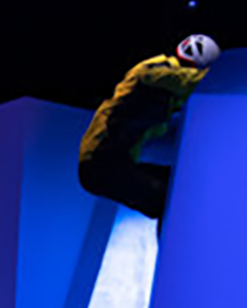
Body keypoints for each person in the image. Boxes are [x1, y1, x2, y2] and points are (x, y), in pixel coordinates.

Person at [78, 33, 222, 221]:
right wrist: (220, 75)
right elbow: (185, 81)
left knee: (175, 180)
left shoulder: (165, 85)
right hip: (99, 163)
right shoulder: (156, 70)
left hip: (114, 162)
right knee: (163, 197)